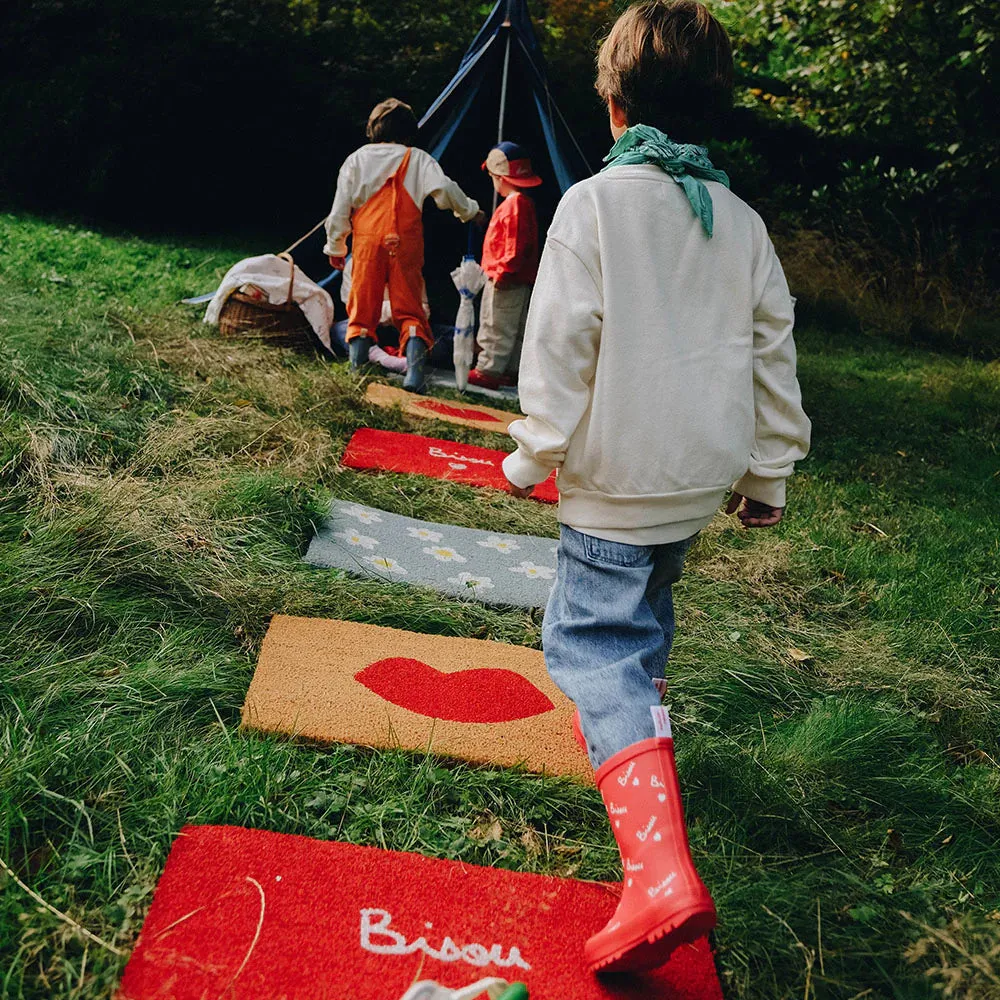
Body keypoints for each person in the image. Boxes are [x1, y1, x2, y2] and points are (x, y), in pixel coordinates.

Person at [501, 0, 811, 975]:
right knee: (643, 624)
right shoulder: (744, 225)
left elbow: (560, 336)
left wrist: (534, 448)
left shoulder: (595, 205)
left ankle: (658, 871)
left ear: (612, 102)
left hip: (618, 476)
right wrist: (767, 470)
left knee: (591, 642)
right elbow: (773, 352)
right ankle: (648, 760)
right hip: (693, 480)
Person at [324, 98, 485, 392]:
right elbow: (445, 189)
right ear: (410, 130)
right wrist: (470, 211)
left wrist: (336, 247)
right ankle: (414, 374)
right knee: (410, 307)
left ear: (373, 128)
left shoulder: (357, 159)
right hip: (406, 242)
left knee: (362, 305)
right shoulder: (418, 158)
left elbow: (340, 210)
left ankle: (357, 369)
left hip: (366, 243)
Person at [467, 142, 541, 390]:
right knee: (516, 326)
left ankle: (489, 369)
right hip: (519, 278)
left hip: (505, 278)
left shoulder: (513, 205)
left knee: (496, 323)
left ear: (499, 177)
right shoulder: (524, 203)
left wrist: (503, 271)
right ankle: (510, 369)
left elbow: (514, 246)